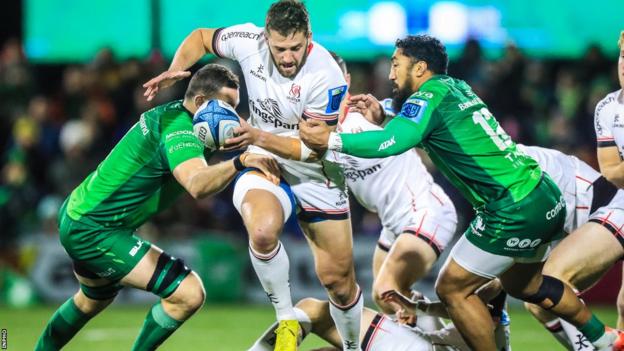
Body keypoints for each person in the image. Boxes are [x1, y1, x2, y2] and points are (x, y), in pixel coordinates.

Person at [299, 34, 623, 350]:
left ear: (420, 68)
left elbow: (393, 141)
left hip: (511, 206)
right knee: (525, 285)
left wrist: (331, 141)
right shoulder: (456, 88)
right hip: (542, 194)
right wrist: (385, 112)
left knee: (453, 287)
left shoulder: (429, 97)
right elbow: (424, 118)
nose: (389, 73)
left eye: (396, 64)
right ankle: (604, 338)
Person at [142, 1, 362, 350]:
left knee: (338, 282)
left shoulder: (326, 76)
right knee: (262, 231)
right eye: (280, 49)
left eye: (296, 48)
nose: (288, 57)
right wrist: (176, 68)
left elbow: (314, 150)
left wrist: (257, 135)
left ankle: (352, 346)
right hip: (261, 155)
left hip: (315, 172)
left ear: (310, 38)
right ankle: (286, 320)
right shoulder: (247, 40)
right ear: (265, 38)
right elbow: (201, 38)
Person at [34, 64, 280, 351]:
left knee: (90, 300)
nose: (233, 116)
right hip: (95, 228)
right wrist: (240, 162)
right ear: (200, 102)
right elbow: (198, 185)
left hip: (83, 214)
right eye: (226, 105)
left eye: (235, 107)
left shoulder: (181, 117)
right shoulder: (180, 129)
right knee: (188, 293)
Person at [327, 52, 458, 314]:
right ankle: (439, 341)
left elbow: (406, 112)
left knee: (385, 289)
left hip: (425, 210)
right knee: (390, 301)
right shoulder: (316, 129)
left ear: (345, 80)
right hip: (392, 223)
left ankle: (471, 310)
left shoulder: (366, 112)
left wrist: (384, 115)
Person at [248, 293, 510, 351]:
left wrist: (420, 308)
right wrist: (420, 311)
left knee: (313, 311)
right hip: (426, 345)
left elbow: (483, 300)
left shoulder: (490, 286)